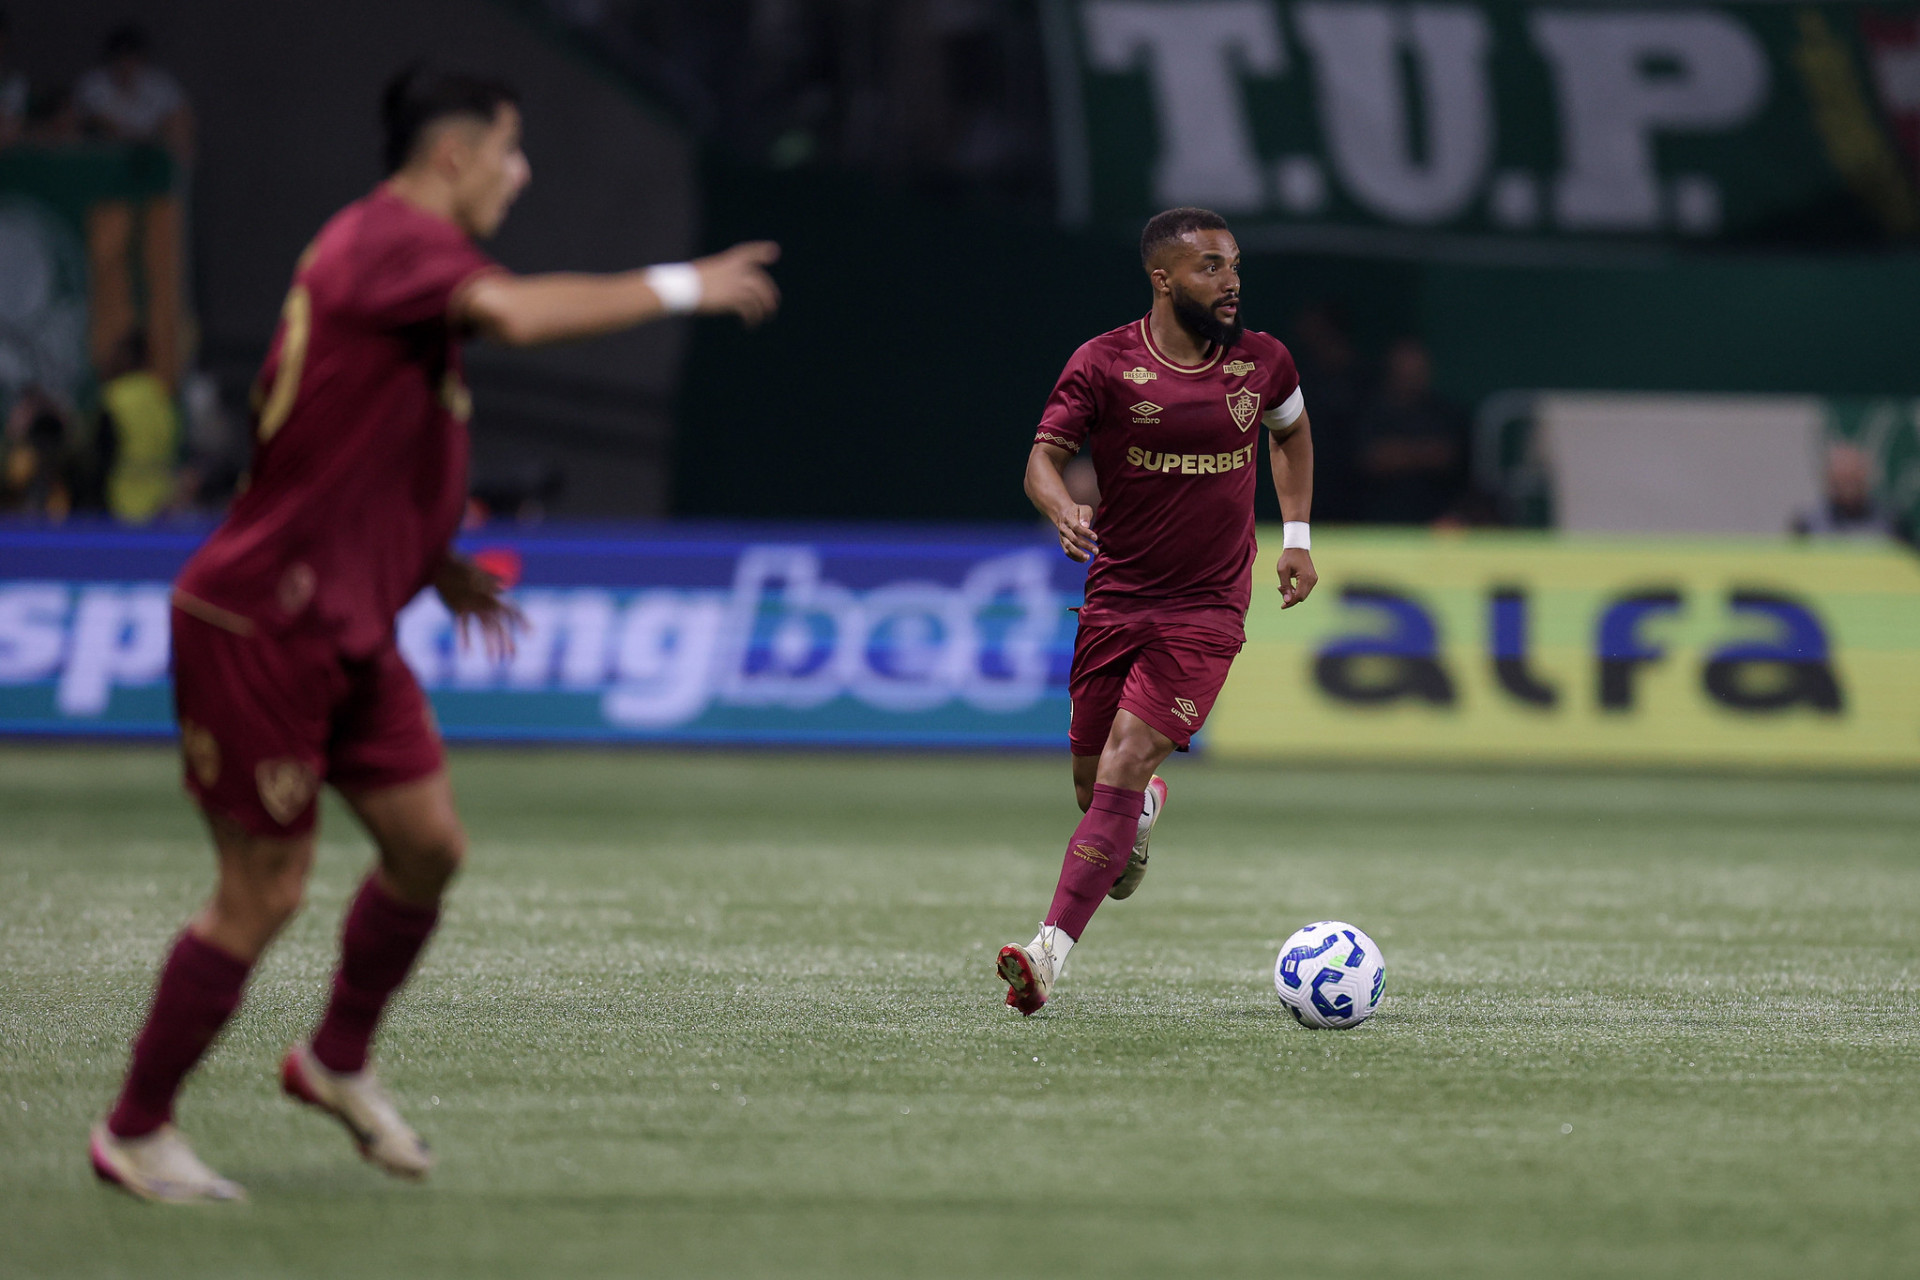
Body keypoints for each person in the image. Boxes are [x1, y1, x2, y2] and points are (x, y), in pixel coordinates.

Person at [88, 66, 781, 1204]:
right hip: (263, 617)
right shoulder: (396, 245)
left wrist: (434, 556)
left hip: (349, 618)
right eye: (509, 154)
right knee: (261, 893)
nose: (519, 176)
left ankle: (335, 1057)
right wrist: (681, 284)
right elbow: (512, 313)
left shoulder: (389, 266)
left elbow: (340, 438)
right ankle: (136, 1127)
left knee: (427, 847)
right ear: (452, 156)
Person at [995, 206, 1316, 1015]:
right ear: (1163, 278)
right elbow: (1042, 458)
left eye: (1235, 263)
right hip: (1117, 598)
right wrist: (1059, 505)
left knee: (1129, 755)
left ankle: (1047, 955)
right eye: (1210, 265)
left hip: (1207, 608)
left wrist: (1297, 536)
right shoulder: (1103, 364)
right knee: (1090, 782)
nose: (1232, 279)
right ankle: (1134, 818)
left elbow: (1293, 434)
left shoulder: (1264, 362)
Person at [1351, 336, 1470, 525]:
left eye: (1417, 368)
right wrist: (1423, 452)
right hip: (1378, 518)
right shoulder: (1372, 411)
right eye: (1404, 368)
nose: (1411, 374)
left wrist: (1401, 453)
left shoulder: (1445, 412)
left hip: (1436, 518)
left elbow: (1447, 457)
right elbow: (1372, 459)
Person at [1791, 442, 1902, 540]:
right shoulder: (1807, 525)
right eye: (1841, 480)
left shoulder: (1891, 524)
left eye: (1854, 479)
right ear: (1829, 480)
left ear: (1865, 478)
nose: (1848, 488)